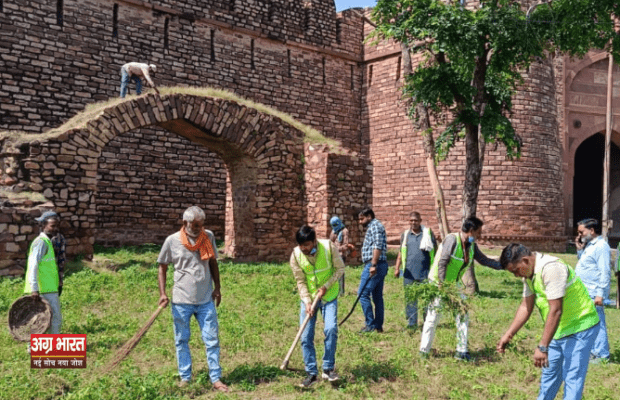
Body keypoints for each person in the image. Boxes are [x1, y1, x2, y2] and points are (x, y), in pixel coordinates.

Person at [497, 243, 600, 400]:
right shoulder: (530, 274)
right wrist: (508, 335)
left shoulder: (551, 268)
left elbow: (556, 310)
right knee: (549, 377)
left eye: (516, 270)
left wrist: (543, 346)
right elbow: (526, 306)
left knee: (572, 377)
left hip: (580, 327)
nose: (517, 276)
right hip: (558, 330)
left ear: (525, 260)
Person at [157, 206, 229, 392]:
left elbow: (213, 262)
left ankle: (216, 378)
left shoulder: (208, 237)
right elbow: (162, 267)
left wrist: (218, 288)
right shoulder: (172, 241)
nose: (198, 229)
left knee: (211, 340)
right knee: (181, 340)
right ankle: (185, 378)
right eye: (195, 225)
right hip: (181, 300)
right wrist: (163, 293)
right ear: (185, 223)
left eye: (201, 225)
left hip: (205, 300)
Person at [419, 216, 503, 360]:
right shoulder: (452, 240)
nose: (479, 236)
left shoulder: (471, 246)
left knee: (463, 314)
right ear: (471, 231)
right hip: (439, 282)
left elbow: (483, 260)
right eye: (478, 233)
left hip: (454, 284)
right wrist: (442, 285)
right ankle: (424, 351)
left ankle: (461, 351)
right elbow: (442, 263)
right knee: (433, 317)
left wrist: (503, 265)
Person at [290, 225, 345, 388]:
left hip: (329, 295)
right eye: (301, 245)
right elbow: (300, 281)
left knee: (330, 329)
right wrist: (307, 301)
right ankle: (311, 373)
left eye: (307, 245)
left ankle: (328, 369)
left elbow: (340, 268)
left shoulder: (328, 247)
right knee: (305, 336)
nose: (304, 249)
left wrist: (327, 286)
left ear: (314, 241)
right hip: (310, 298)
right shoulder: (295, 255)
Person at [575, 218, 611, 363]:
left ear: (591, 230)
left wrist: (600, 294)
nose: (579, 235)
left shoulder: (601, 246)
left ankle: (602, 354)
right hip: (585, 290)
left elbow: (605, 271)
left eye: (581, 232)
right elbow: (584, 264)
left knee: (597, 323)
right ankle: (593, 351)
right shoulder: (590, 245)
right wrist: (579, 249)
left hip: (594, 291)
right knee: (589, 322)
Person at [394, 211, 436, 330]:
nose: (413, 223)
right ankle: (412, 323)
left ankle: (427, 322)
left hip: (425, 272)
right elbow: (400, 252)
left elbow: (436, 251)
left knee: (426, 299)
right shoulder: (405, 235)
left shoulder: (427, 234)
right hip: (409, 273)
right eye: (411, 220)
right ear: (409, 221)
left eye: (416, 220)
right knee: (410, 298)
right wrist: (397, 268)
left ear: (420, 221)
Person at [24, 211, 63, 333]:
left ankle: (41, 348)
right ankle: (52, 347)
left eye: (56, 226)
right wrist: (34, 288)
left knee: (43, 320)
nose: (55, 229)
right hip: (43, 290)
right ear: (43, 226)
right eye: (52, 226)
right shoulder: (41, 242)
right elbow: (33, 265)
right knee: (53, 319)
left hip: (48, 288)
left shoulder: (48, 242)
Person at [358, 207, 388, 333]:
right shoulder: (374, 226)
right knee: (377, 296)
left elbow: (377, 245)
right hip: (378, 265)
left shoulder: (375, 226)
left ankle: (370, 325)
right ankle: (377, 325)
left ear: (369, 216)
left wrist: (373, 265)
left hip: (375, 264)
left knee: (363, 294)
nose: (360, 222)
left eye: (362, 219)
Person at [329, 216, 349, 296]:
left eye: (335, 224)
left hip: (341, 255)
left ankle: (341, 292)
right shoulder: (334, 230)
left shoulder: (344, 231)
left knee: (340, 274)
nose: (334, 226)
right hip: (333, 255)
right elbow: (330, 241)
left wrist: (337, 249)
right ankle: (333, 291)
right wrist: (333, 233)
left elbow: (345, 246)